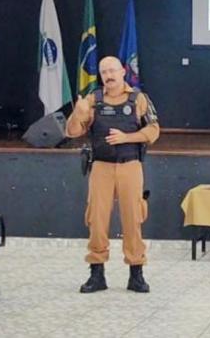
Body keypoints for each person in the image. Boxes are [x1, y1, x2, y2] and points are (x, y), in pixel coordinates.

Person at [66, 56, 160, 293]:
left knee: (133, 218)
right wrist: (78, 114)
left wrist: (127, 137)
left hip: (130, 165)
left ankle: (136, 273)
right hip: (101, 167)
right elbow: (72, 132)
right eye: (104, 71)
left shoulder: (138, 99)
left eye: (112, 70)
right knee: (96, 220)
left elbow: (154, 130)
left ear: (123, 72)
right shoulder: (93, 100)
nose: (109, 75)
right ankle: (97, 274)